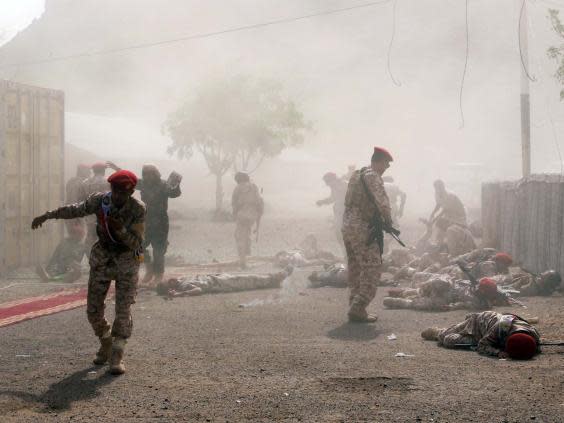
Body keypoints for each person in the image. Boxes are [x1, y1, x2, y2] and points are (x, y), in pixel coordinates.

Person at [31, 170, 145, 375]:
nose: (118, 196)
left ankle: (117, 354)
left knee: (123, 309)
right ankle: (106, 342)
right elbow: (76, 210)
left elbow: (136, 242)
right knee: (93, 310)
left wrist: (120, 230)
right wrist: (48, 215)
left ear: (131, 192)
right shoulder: (101, 201)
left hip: (126, 262)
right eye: (115, 191)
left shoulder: (138, 209)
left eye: (123, 193)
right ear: (111, 189)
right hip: (102, 259)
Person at [107, 162, 182, 286]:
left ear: (155, 174)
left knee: (158, 249)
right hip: (145, 219)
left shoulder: (163, 185)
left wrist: (176, 183)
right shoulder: (143, 184)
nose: (148, 177)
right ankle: (149, 268)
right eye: (145, 174)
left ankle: (158, 274)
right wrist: (117, 169)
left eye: (150, 174)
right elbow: (128, 178)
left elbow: (174, 193)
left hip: (160, 221)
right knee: (138, 247)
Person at [342, 147, 393, 323]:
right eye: (386, 163)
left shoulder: (357, 174)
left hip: (348, 226)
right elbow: (383, 204)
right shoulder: (373, 176)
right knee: (373, 266)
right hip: (362, 228)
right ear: (378, 161)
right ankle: (358, 306)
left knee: (356, 267)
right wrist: (389, 221)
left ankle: (354, 305)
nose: (387, 167)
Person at [421, 311, 541, 360]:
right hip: (478, 324)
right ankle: (437, 332)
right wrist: (497, 353)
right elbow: (482, 345)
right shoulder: (500, 328)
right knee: (447, 339)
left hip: (494, 323)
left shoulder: (533, 334)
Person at [156, 267, 292, 298]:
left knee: (247, 278)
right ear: (171, 286)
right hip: (220, 283)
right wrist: (180, 294)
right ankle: (275, 278)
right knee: (248, 280)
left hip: (219, 278)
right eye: (169, 282)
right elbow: (199, 290)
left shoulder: (181, 281)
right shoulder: (184, 286)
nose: (171, 279)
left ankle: (273, 279)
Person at [232, 172, 264, 269]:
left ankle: (243, 262)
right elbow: (259, 202)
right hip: (252, 216)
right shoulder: (254, 186)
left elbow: (234, 204)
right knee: (246, 234)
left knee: (240, 236)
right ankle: (246, 257)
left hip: (242, 216)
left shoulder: (237, 188)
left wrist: (235, 215)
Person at [78, 162, 111, 249]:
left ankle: (90, 257)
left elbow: (80, 199)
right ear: (103, 171)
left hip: (90, 215)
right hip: (105, 214)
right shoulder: (108, 181)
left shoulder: (85, 183)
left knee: (90, 237)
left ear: (94, 171)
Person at [316, 172, 347, 254]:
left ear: (333, 180)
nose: (328, 185)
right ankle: (344, 250)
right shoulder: (334, 187)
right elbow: (333, 198)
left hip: (347, 213)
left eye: (328, 182)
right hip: (339, 213)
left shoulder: (344, 185)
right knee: (338, 232)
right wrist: (322, 202)